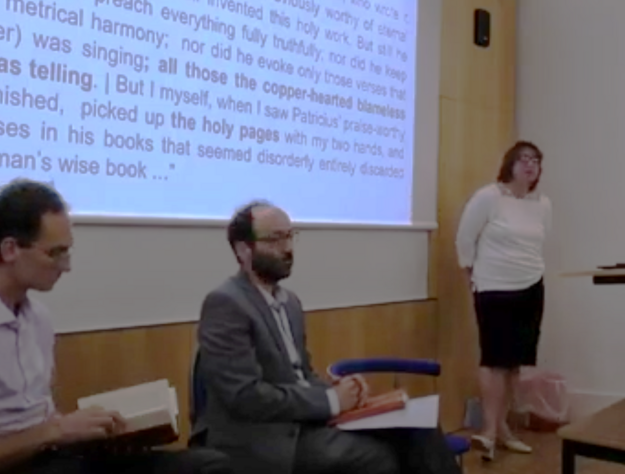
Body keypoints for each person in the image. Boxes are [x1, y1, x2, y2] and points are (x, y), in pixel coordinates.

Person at [0, 178, 233, 474]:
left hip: (55, 457)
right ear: (10, 250)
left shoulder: (38, 319)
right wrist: (55, 431)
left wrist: (86, 430)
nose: (67, 266)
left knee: (207, 466)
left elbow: (42, 422)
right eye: (56, 253)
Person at [194, 201, 463, 474]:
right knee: (376, 458)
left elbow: (302, 375)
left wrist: (344, 392)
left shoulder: (290, 303)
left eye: (290, 236)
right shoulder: (226, 303)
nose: (287, 248)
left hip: (303, 423)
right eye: (275, 239)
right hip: (259, 438)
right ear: (243, 250)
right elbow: (245, 396)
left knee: (419, 429)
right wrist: (331, 401)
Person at [455, 140, 551, 461]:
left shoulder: (542, 204)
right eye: (523, 159)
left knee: (514, 365)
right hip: (493, 288)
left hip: (531, 288)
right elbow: (465, 240)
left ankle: (503, 429)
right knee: (494, 360)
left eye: (535, 161)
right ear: (510, 163)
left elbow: (539, 245)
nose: (529, 165)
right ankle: (489, 432)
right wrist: (472, 281)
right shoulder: (489, 197)